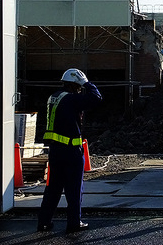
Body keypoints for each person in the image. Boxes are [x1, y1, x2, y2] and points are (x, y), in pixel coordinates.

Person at [37, 68, 102, 234]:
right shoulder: (72, 99)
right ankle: (74, 223)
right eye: (79, 87)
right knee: (74, 189)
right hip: (71, 151)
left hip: (55, 151)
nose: (80, 90)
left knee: (53, 188)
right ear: (75, 85)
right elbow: (96, 98)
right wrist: (87, 83)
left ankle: (44, 222)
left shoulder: (54, 97)